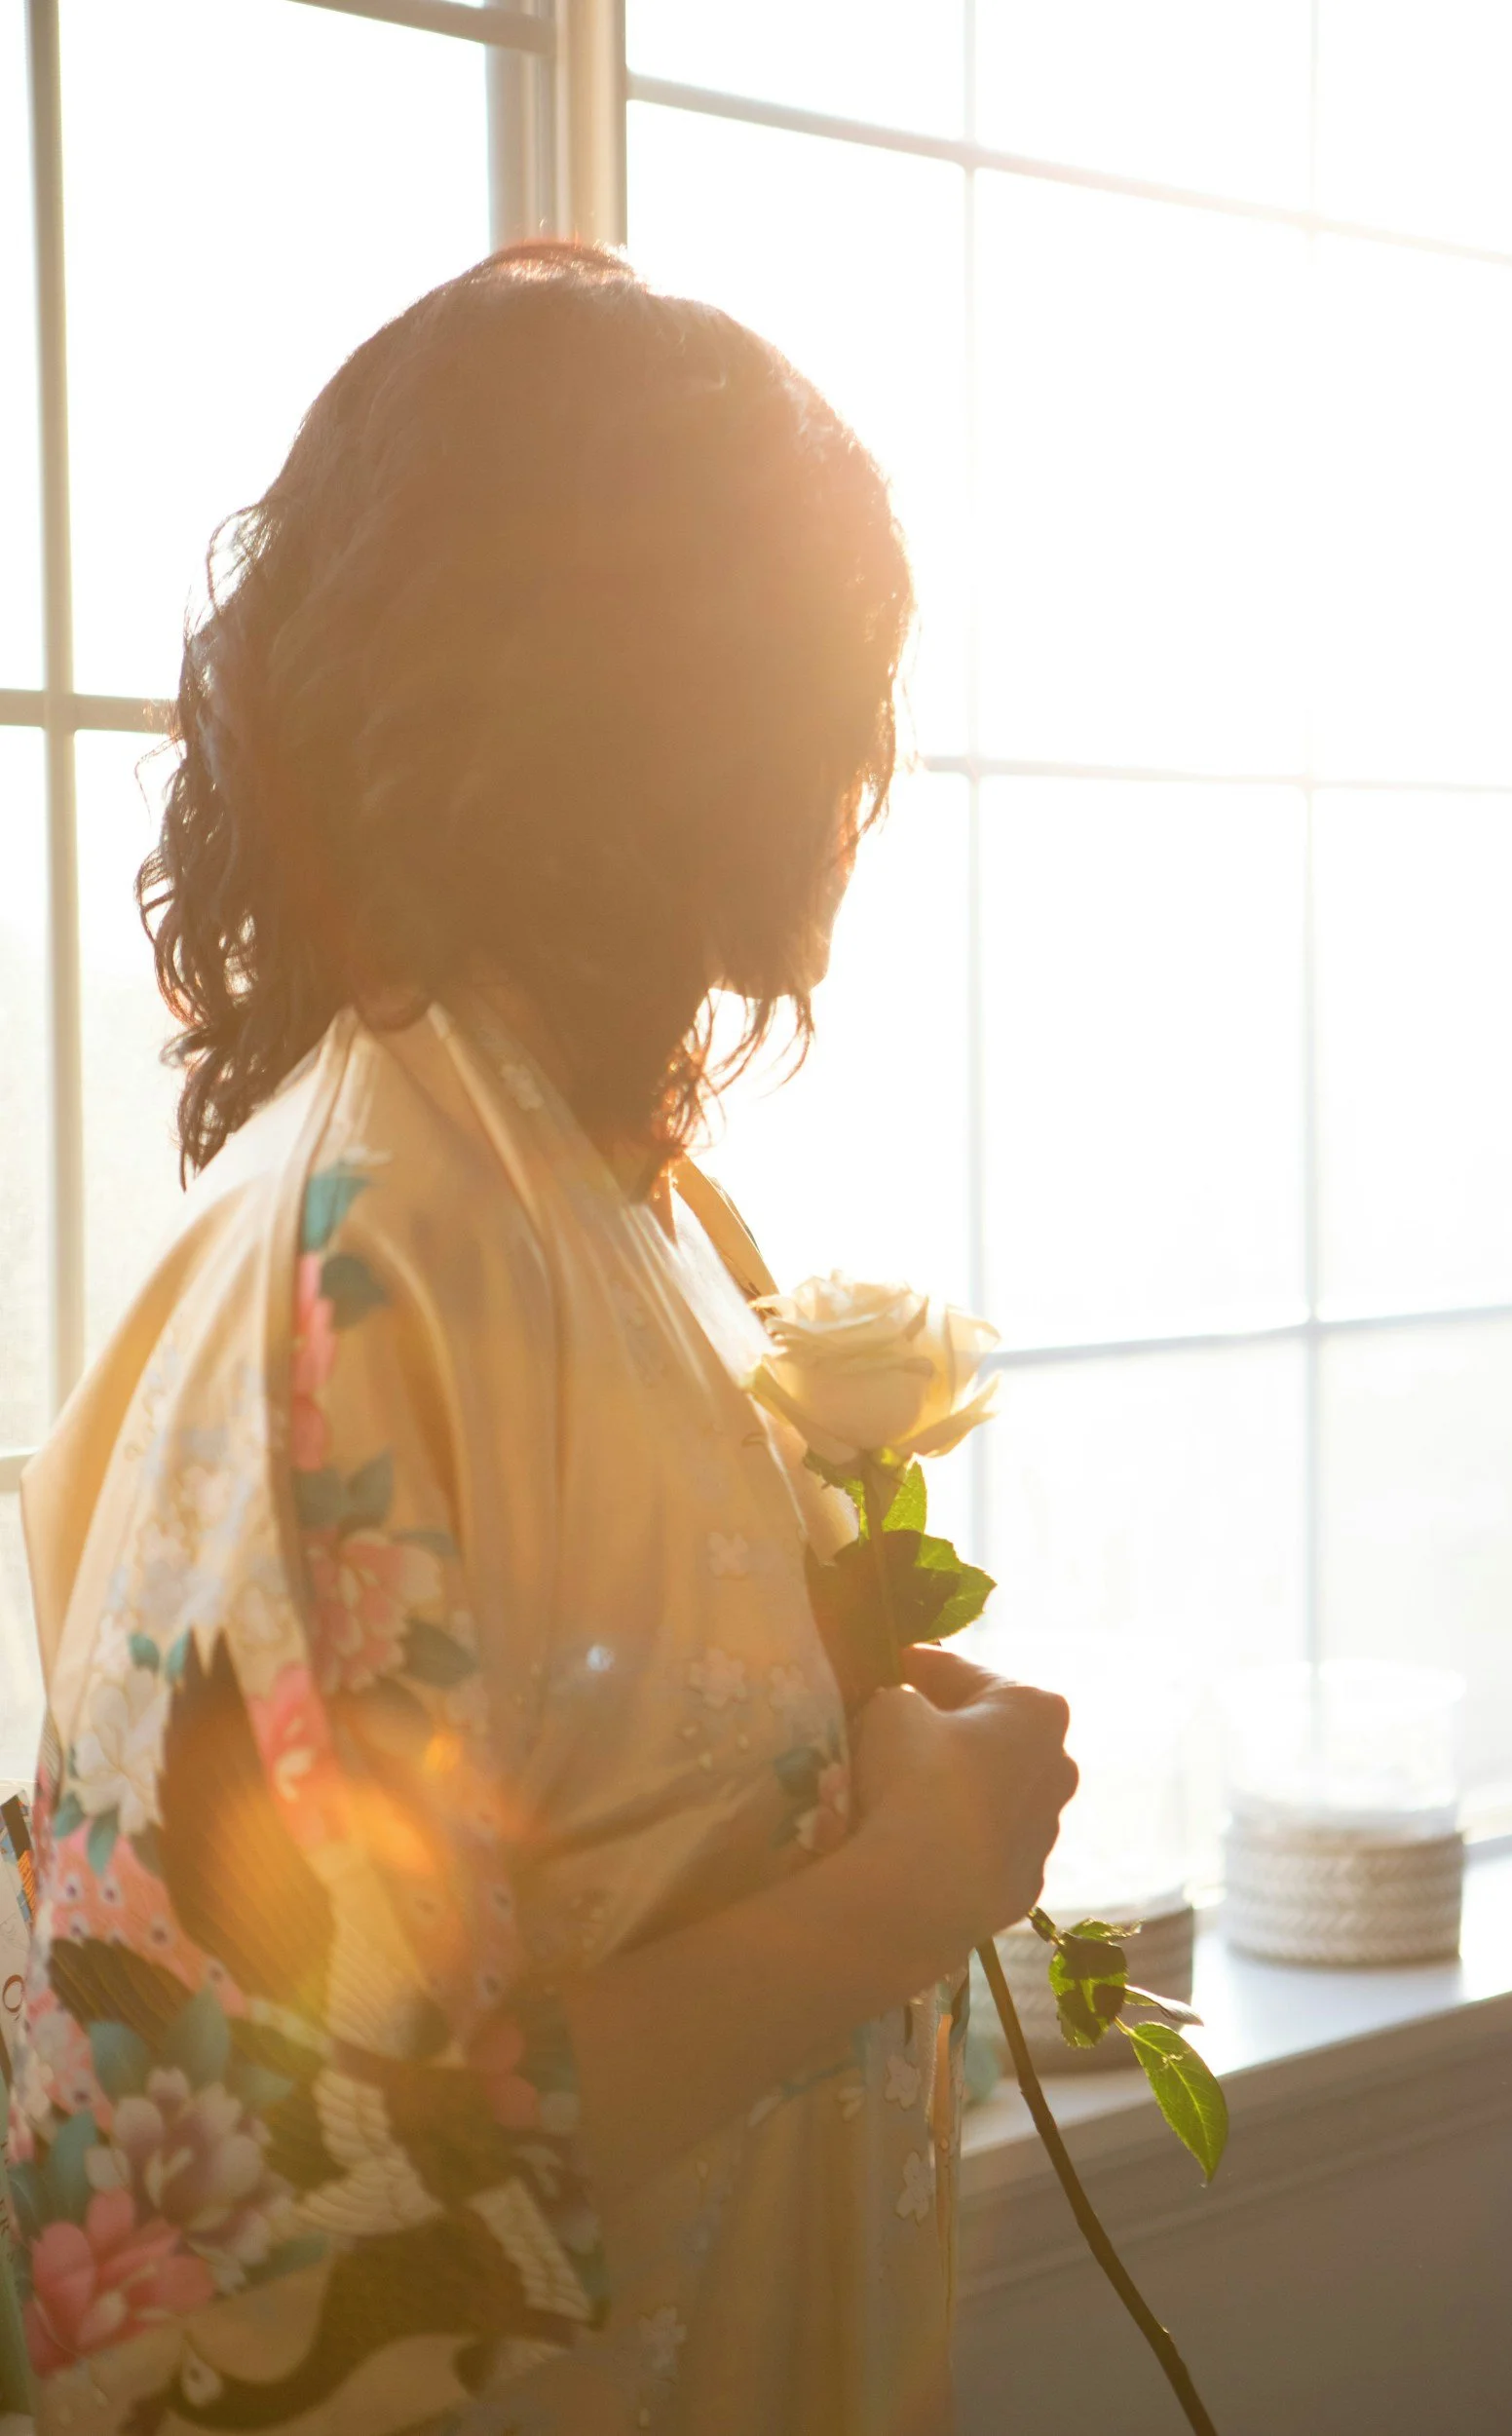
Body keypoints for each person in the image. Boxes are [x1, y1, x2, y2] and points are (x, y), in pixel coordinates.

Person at [10, 241, 1077, 2436]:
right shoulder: (371, 1253)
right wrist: (909, 1884)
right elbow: (282, 2195)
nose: (853, 772)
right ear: (657, 714)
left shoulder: (606, 1194)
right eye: (825, 684)